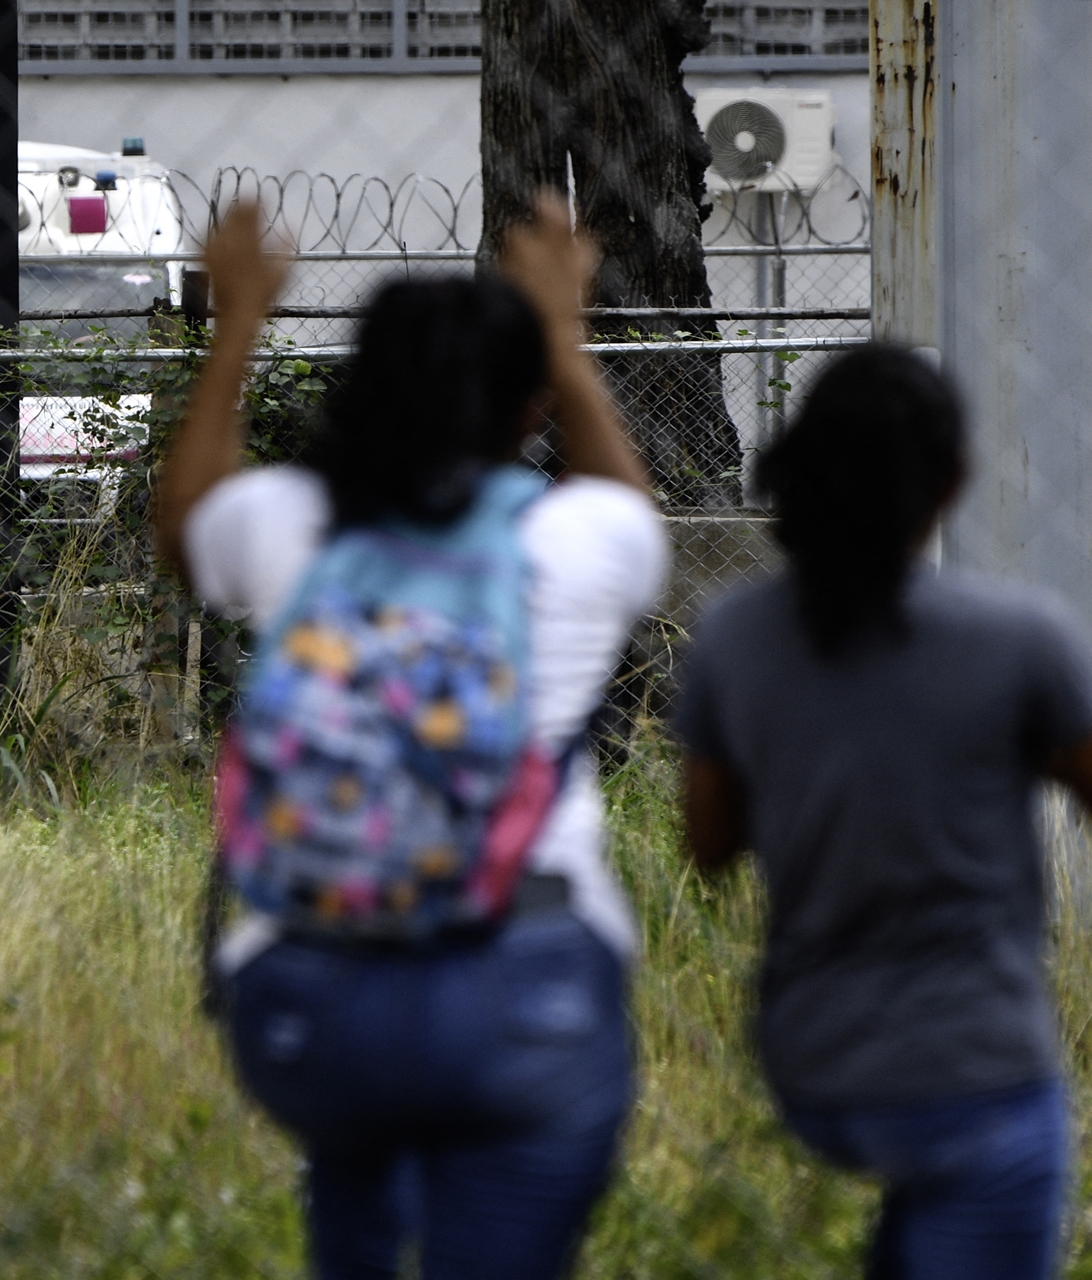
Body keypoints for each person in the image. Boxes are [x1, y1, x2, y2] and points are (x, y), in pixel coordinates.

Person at [154, 195, 667, 1280]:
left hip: (310, 989)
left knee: (355, 1203)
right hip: (518, 981)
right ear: (526, 411)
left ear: (359, 390)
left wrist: (237, 320)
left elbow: (186, 522)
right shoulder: (569, 542)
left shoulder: (290, 525)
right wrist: (559, 341)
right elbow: (634, 520)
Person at [676, 345, 1092, 1280]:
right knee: (994, 1169)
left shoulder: (735, 638)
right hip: (972, 1067)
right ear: (952, 481)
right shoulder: (1020, 640)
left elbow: (708, 845)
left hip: (812, 1058)